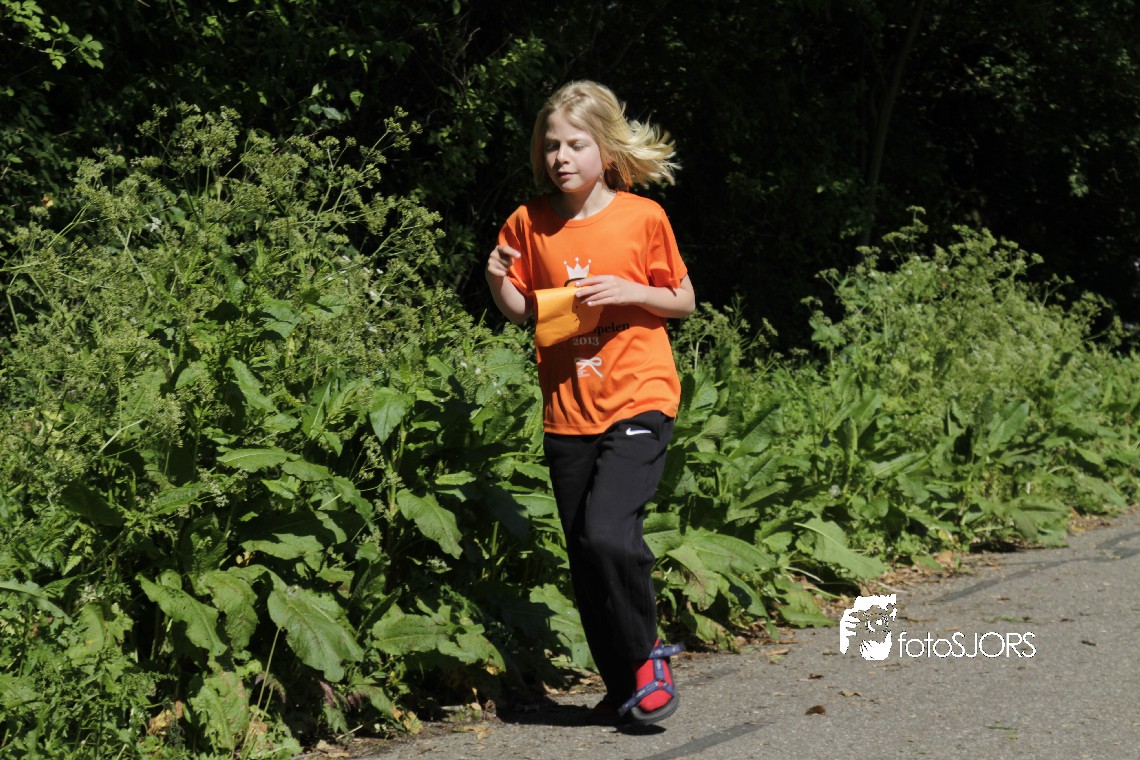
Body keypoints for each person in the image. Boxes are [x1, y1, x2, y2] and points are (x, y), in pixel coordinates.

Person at [485, 80, 695, 725]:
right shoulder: (527, 222)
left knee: (608, 532)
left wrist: (630, 291)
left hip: (639, 395)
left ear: (606, 149)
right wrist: (497, 282)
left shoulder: (642, 217)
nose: (562, 158)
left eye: (576, 144)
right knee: (585, 553)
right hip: (568, 410)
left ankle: (648, 657)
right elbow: (525, 312)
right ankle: (623, 686)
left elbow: (682, 300)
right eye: (551, 146)